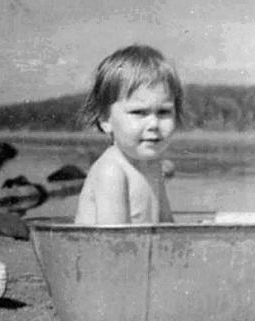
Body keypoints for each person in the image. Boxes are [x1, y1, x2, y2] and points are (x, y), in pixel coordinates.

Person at [75, 44, 183, 225]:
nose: (154, 124)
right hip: (99, 252)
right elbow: (115, 243)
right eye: (139, 112)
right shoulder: (112, 172)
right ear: (105, 120)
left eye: (163, 112)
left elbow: (167, 225)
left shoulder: (153, 166)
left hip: (139, 250)